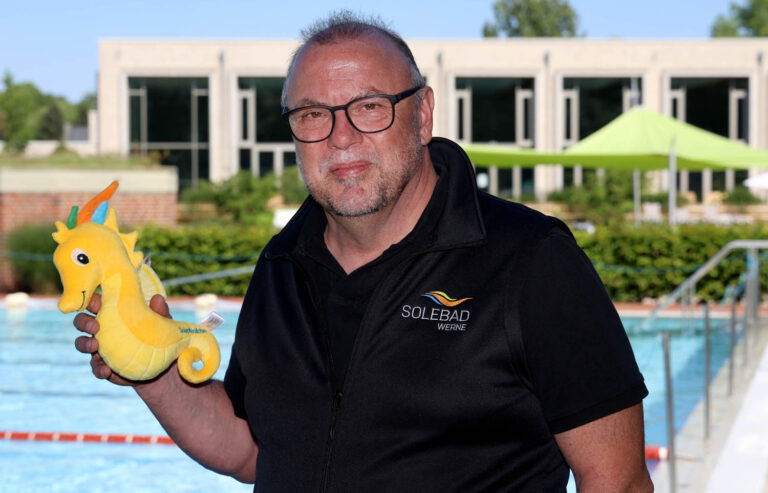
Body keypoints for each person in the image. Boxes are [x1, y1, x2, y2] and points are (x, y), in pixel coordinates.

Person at [75, 12, 653, 492]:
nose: (341, 136)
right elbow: (254, 451)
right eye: (312, 115)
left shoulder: (530, 261)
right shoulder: (281, 266)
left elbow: (619, 483)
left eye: (370, 106)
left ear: (422, 114)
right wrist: (153, 375)